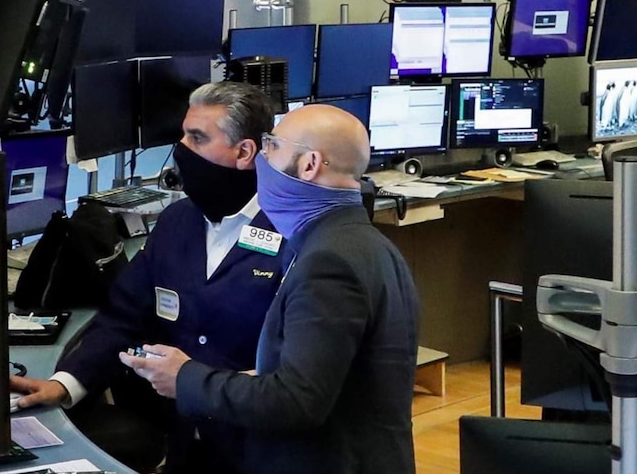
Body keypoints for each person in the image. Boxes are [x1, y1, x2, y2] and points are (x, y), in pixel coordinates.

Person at [124, 104, 420, 474]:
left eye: (272, 147)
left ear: (309, 164)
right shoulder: (366, 244)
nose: (259, 160)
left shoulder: (329, 262)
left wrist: (185, 378)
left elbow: (297, 401)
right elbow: (329, 378)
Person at [10, 81, 287, 474]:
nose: (181, 151)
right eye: (183, 135)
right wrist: (65, 382)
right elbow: (124, 317)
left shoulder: (290, 233)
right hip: (186, 447)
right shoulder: (177, 222)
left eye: (197, 138)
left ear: (245, 152)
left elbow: (295, 376)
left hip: (259, 452)